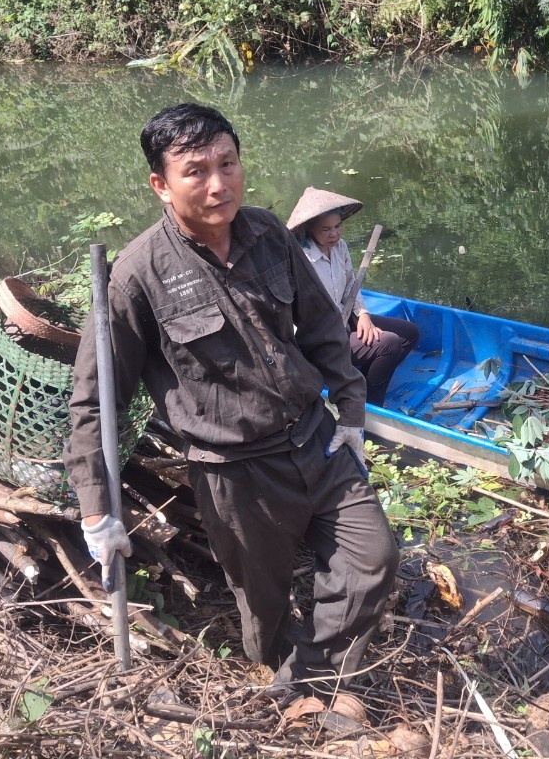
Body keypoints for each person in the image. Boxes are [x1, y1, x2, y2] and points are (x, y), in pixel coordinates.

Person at [64, 103, 400, 703]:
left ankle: (308, 680)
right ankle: (280, 673)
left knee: (373, 560)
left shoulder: (270, 232)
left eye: (228, 163)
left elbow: (323, 327)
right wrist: (95, 507)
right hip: (235, 474)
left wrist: (351, 410)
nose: (218, 184)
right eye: (195, 171)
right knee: (264, 607)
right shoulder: (136, 277)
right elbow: (95, 400)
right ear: (160, 185)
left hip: (315, 440)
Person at [286, 187, 420, 408]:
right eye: (325, 229)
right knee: (389, 344)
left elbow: (351, 285)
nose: (334, 234)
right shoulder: (301, 261)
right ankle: (371, 404)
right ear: (309, 229)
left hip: (344, 316)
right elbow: (296, 315)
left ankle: (365, 380)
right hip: (319, 340)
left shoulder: (340, 248)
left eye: (338, 226)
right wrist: (337, 331)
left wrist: (363, 315)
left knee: (409, 333)